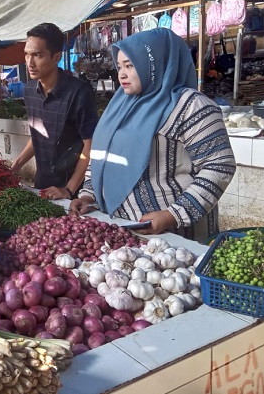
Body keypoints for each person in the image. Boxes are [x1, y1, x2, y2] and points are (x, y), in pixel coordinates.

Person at [70, 28, 236, 242]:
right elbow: (103, 156)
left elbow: (219, 165)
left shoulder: (190, 106)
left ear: (155, 64)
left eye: (130, 66)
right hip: (124, 228)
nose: (121, 74)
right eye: (119, 66)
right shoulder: (119, 105)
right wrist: (88, 195)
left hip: (175, 233)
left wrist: (172, 215)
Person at [11, 23, 99, 200]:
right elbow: (38, 135)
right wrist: (15, 166)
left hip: (73, 191)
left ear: (56, 56)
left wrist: (68, 190)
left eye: (38, 55)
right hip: (42, 183)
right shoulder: (29, 90)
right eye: (27, 54)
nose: (29, 62)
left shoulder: (79, 92)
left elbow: (90, 145)